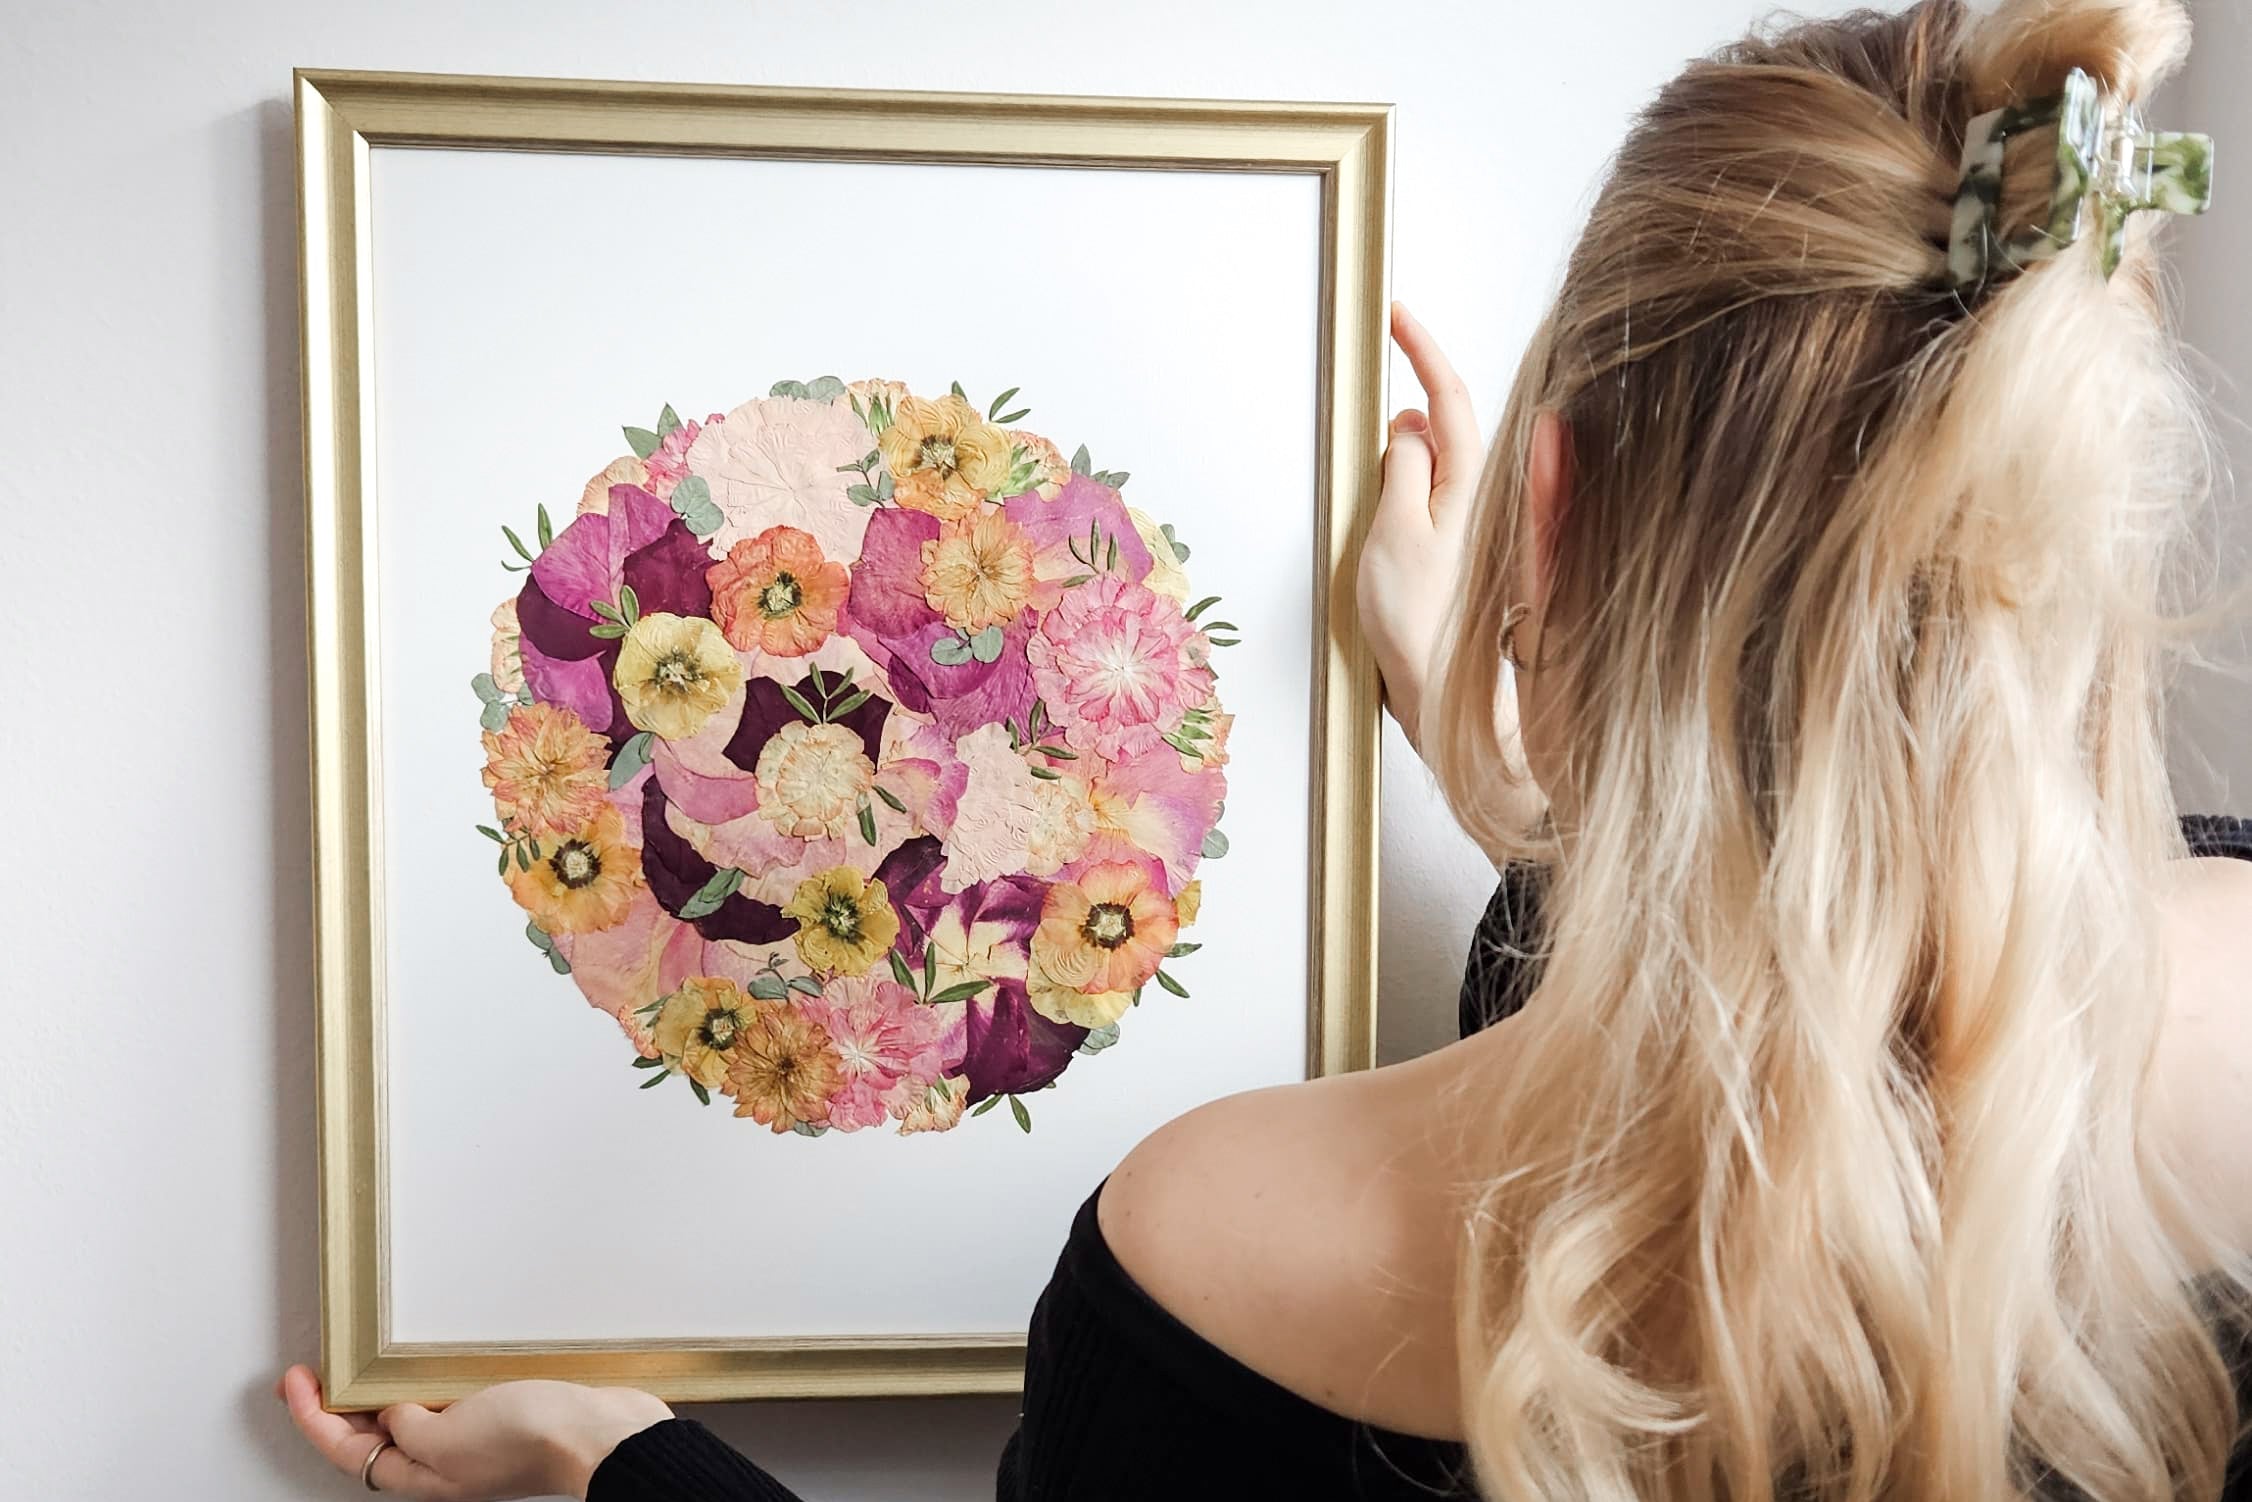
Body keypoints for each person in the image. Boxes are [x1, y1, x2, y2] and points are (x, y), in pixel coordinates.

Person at [280, 0, 2252, 1495]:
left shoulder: (1209, 1257)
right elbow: (1799, 974)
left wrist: (630, 1464)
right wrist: (1510, 766)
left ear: (1547, 508)